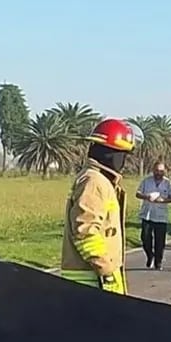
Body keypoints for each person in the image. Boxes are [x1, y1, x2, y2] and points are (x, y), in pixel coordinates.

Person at [60, 118, 135, 294]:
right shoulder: (94, 182)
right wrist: (106, 271)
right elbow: (85, 231)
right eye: (122, 154)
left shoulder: (101, 181)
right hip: (91, 282)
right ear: (110, 153)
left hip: (94, 280)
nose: (123, 161)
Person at [135, 160, 171, 270]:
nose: (158, 173)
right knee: (145, 238)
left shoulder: (168, 183)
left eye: (161, 171)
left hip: (161, 216)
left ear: (164, 171)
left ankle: (158, 262)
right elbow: (138, 193)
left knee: (160, 241)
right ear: (153, 170)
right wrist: (146, 197)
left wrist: (163, 200)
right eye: (156, 170)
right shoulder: (146, 181)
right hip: (147, 214)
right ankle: (150, 255)